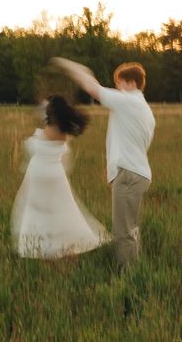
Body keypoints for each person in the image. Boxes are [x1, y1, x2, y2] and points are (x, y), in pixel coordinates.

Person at [51, 59, 155, 269]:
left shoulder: (129, 102)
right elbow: (128, 143)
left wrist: (75, 69)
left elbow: (94, 89)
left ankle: (127, 275)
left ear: (132, 83)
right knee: (131, 228)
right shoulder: (143, 109)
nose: (117, 88)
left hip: (129, 173)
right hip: (135, 173)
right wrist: (113, 171)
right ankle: (136, 269)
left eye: (120, 83)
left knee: (123, 232)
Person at [11, 95, 109, 259]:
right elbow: (65, 158)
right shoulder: (64, 134)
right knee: (63, 211)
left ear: (51, 113)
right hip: (56, 175)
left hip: (38, 174)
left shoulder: (42, 134)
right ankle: (66, 246)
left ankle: (42, 247)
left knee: (38, 211)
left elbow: (31, 146)